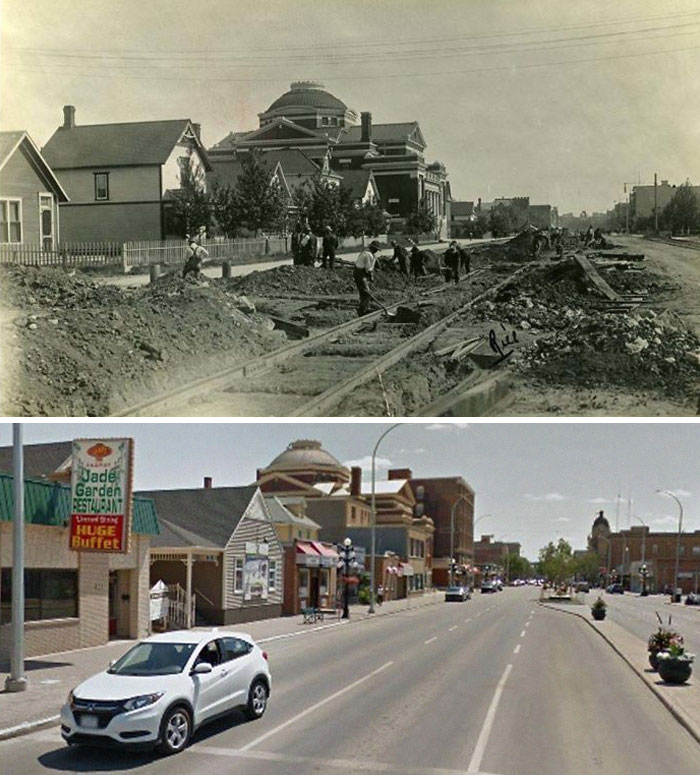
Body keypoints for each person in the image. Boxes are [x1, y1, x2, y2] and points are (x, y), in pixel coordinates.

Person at [354, 240, 381, 315]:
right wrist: (371, 277)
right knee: (366, 292)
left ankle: (364, 307)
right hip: (360, 274)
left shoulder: (367, 253)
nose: (376, 251)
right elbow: (368, 269)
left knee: (364, 292)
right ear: (373, 248)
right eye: (376, 249)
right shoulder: (368, 255)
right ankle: (363, 310)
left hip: (360, 273)